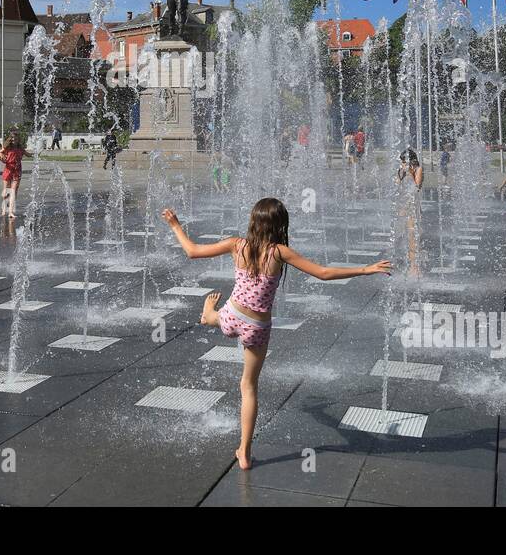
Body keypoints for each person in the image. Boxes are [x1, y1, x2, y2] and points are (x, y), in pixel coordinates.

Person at [161, 200, 392, 470]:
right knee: (248, 386)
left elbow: (192, 251)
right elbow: (324, 273)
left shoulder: (237, 245)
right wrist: (365, 269)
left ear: (253, 221)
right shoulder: (280, 252)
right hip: (256, 327)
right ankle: (244, 453)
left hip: (231, 316)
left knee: (219, 318)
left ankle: (209, 315)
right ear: (281, 225)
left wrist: (175, 225)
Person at [0, 131, 25, 219]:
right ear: (10, 139)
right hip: (8, 169)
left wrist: (36, 154)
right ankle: (4, 208)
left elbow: (29, 154)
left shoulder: (21, 149)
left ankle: (10, 211)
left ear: (18, 139)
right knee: (6, 192)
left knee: (14, 191)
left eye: (16, 139)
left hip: (17, 170)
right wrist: (0, 154)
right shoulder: (7, 148)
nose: (14, 140)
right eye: (12, 139)